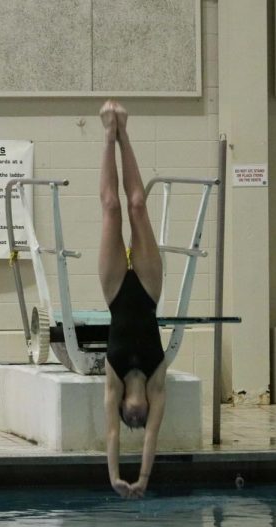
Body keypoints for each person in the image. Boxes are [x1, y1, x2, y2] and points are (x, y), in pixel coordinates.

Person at [99, 100, 167, 500]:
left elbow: (110, 434)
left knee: (111, 209)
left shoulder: (113, 378)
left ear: (124, 406)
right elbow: (153, 437)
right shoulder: (157, 380)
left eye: (131, 419)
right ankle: (125, 131)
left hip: (114, 292)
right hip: (148, 288)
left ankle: (110, 135)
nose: (138, 420)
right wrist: (142, 479)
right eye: (139, 420)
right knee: (138, 206)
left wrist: (113, 477)